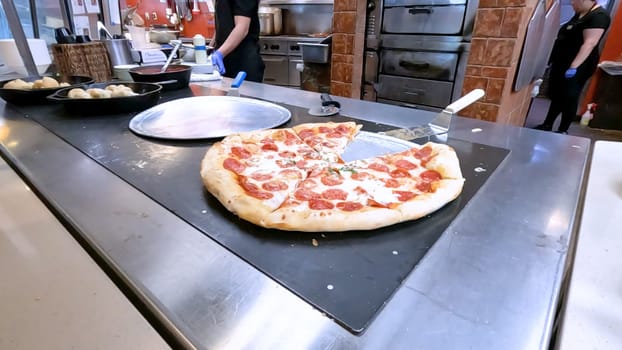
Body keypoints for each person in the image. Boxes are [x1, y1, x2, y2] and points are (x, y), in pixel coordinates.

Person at [534, 0, 610, 134]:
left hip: (579, 64)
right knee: (558, 94)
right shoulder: (579, 14)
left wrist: (573, 67)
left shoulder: (599, 16)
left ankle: (563, 129)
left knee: (569, 96)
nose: (572, 3)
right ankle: (547, 124)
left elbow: (590, 43)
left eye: (574, 1)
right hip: (562, 62)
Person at [210, 0, 265, 83]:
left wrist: (220, 53)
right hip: (225, 63)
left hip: (243, 65)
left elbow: (242, 28)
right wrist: (210, 48)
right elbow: (223, 25)